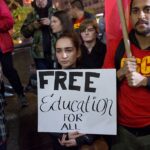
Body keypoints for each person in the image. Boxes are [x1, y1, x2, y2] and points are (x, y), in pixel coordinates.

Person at [103, 0, 150, 149]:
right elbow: (101, 85)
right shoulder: (118, 46)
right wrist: (120, 73)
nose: (141, 15)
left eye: (147, 9)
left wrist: (144, 81)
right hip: (122, 133)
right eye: (135, 11)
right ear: (129, 16)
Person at [51, 32, 98, 150]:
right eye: (59, 51)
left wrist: (84, 138)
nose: (64, 56)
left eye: (68, 50)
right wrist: (64, 135)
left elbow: (102, 115)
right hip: (61, 144)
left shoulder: (93, 79)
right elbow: (47, 118)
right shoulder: (49, 81)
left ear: (78, 52)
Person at [0, 0, 28, 108]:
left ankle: (21, 94)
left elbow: (9, 21)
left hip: (1, 44)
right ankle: (1, 98)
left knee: (8, 70)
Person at [21, 0, 54, 70]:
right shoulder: (31, 15)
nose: (40, 1)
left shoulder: (55, 13)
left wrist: (51, 23)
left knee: (56, 78)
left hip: (55, 53)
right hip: (39, 55)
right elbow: (24, 33)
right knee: (42, 79)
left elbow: (64, 30)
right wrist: (33, 26)